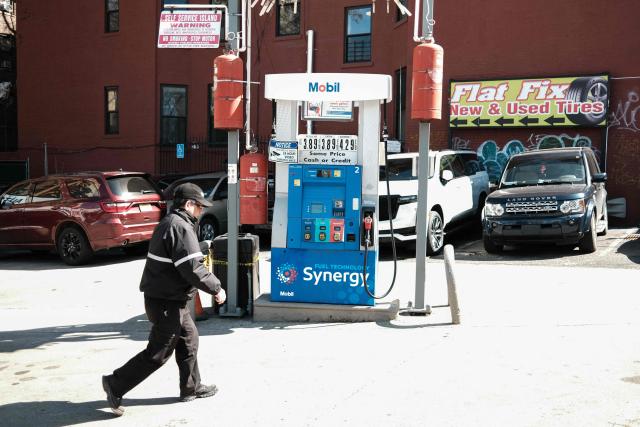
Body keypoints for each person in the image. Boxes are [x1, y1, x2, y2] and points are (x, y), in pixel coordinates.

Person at [102, 182, 226, 416]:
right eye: (199, 207)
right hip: (166, 301)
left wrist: (199, 247)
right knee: (159, 353)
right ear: (189, 204)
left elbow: (180, 256)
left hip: (171, 298)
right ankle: (115, 383)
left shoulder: (173, 223)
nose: (201, 211)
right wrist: (217, 288)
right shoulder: (179, 226)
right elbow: (191, 268)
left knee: (189, 339)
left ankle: (191, 387)